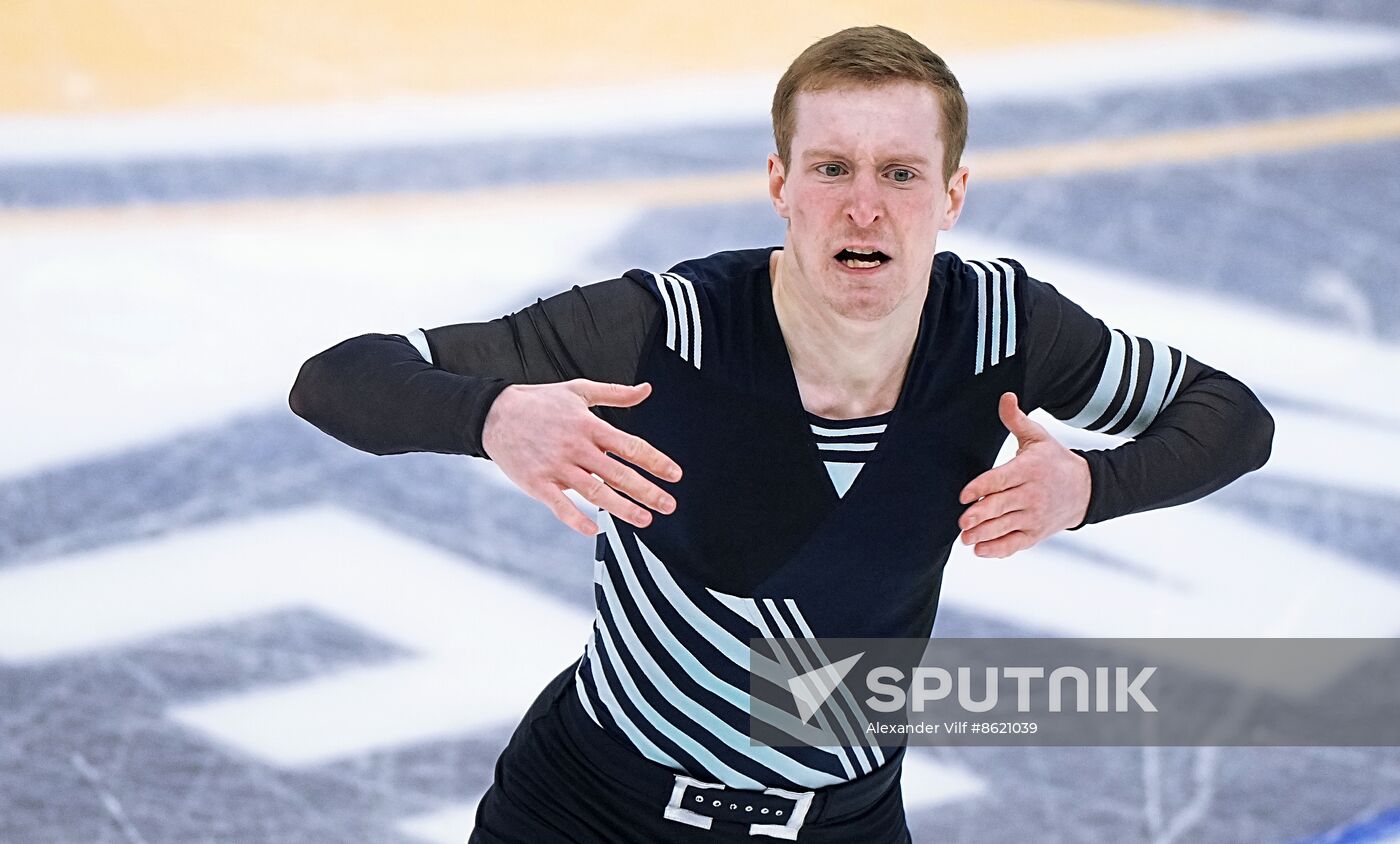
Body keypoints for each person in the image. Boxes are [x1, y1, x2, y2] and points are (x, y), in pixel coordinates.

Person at [289, 25, 1273, 843]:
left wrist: (1086, 488)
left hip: (840, 822)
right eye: (831, 167)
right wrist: (492, 414)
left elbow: (1231, 416)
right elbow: (336, 377)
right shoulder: (663, 326)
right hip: (592, 810)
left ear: (951, 195)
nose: (863, 205)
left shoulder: (1003, 329)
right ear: (778, 182)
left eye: (899, 172)